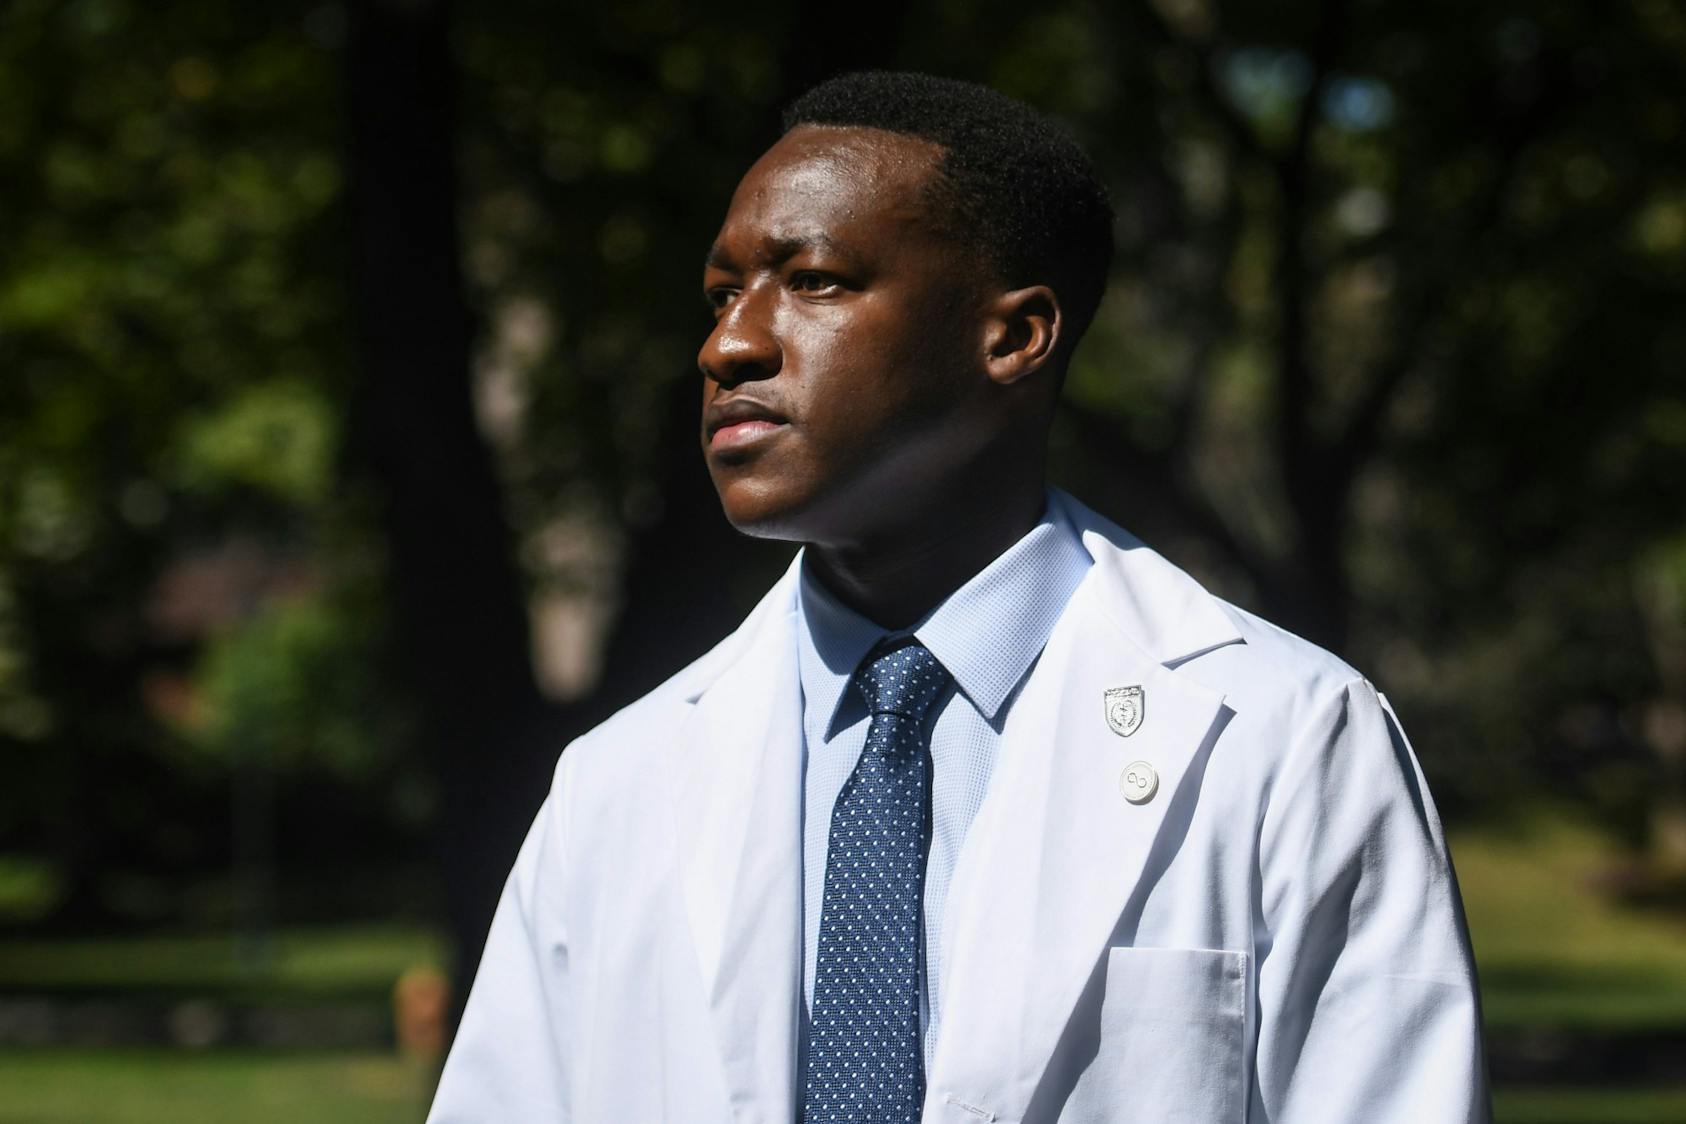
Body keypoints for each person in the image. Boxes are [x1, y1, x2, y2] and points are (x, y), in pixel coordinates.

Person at [428, 72, 1488, 1123]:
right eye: (721, 294)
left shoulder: (1291, 738)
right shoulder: (617, 782)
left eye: (817, 280)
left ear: (1015, 335)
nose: (729, 344)